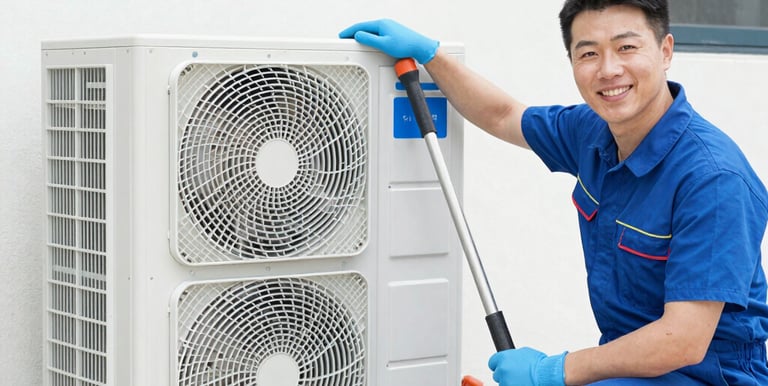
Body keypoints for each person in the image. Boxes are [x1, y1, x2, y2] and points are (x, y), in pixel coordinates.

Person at [339, 0, 768, 385]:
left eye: (626, 47)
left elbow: (682, 341)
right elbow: (505, 114)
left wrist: (552, 370)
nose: (608, 69)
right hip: (630, 367)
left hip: (712, 376)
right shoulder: (592, 133)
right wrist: (432, 56)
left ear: (666, 51)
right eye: (588, 53)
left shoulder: (713, 179)